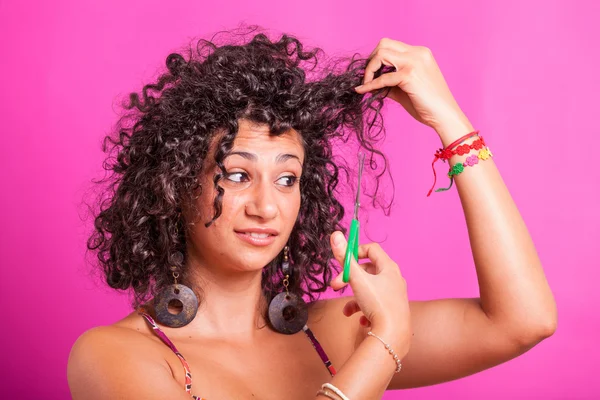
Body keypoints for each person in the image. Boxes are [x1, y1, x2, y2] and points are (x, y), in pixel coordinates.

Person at [67, 27, 557, 400]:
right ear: (176, 187)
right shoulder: (113, 357)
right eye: (237, 175)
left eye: (287, 179)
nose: (266, 207)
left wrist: (448, 120)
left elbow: (522, 320)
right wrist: (385, 343)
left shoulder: (332, 334)